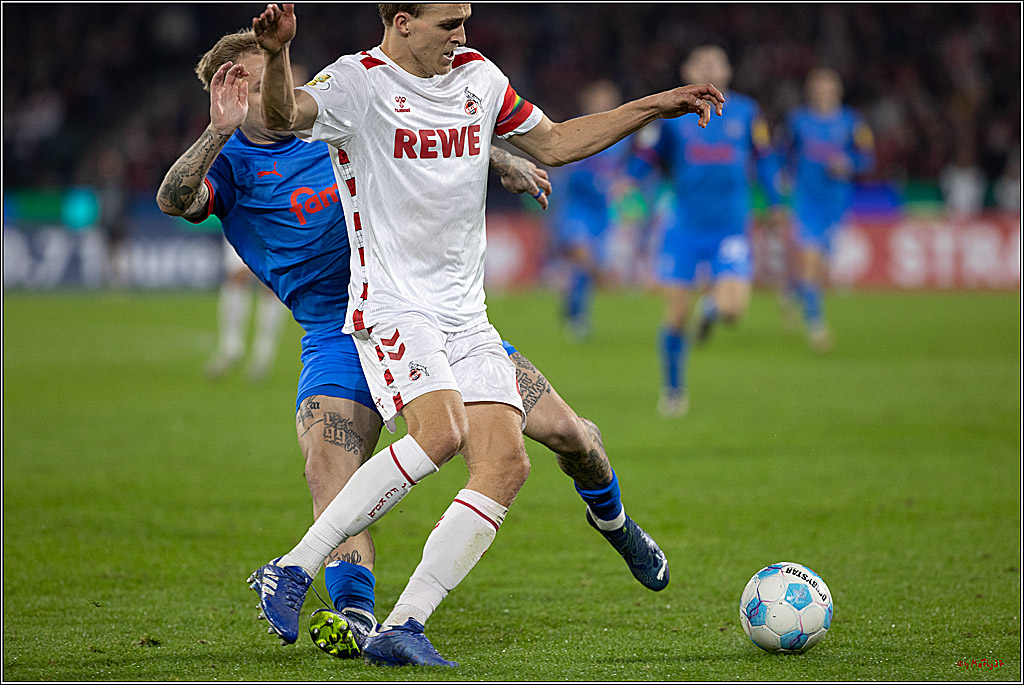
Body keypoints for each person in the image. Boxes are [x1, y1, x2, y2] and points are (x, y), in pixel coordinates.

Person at [156, 20, 679, 667]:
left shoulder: (348, 116)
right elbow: (176, 199)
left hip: (444, 308)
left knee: (570, 436)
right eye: (256, 79)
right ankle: (356, 612)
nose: (273, 87)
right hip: (350, 326)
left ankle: (617, 523)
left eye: (272, 75)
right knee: (335, 469)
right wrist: (218, 129)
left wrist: (502, 156)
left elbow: (425, 140)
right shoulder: (238, 158)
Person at [630, 45, 782, 417]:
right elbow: (647, 157)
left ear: (729, 69)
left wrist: (776, 201)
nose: (711, 67)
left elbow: (764, 160)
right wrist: (628, 182)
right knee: (675, 313)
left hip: (730, 227)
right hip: (683, 226)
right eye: (703, 62)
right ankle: (673, 390)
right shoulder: (674, 117)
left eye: (718, 61)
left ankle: (710, 309)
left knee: (732, 309)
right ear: (688, 69)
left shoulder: (746, 112)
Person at [780, 66, 875, 352]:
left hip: (836, 202)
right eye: (818, 85)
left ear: (837, 90)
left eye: (828, 86)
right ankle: (816, 326)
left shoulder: (852, 122)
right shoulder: (797, 121)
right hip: (806, 200)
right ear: (811, 90)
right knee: (810, 262)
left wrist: (850, 165)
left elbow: (867, 159)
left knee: (819, 266)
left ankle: (791, 291)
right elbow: (782, 151)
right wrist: (783, 176)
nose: (823, 91)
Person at [551, 80, 634, 343]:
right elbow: (571, 171)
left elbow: (625, 169)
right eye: (599, 98)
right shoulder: (579, 128)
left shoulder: (622, 135)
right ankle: (576, 315)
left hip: (603, 212)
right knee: (582, 255)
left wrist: (622, 186)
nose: (604, 103)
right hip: (578, 207)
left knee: (590, 266)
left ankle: (575, 310)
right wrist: (601, 184)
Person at [205, 240, 288, 382]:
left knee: (271, 283)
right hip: (241, 219)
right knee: (237, 276)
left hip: (275, 221)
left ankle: (263, 354)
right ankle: (231, 347)